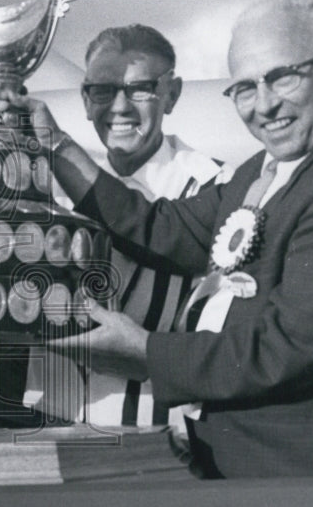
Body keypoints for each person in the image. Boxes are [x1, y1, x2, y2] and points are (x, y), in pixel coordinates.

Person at [0, 0, 313, 476]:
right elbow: (158, 227)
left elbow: (290, 347)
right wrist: (51, 141)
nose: (264, 105)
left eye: (282, 75)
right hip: (247, 466)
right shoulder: (258, 174)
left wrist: (145, 353)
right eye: (244, 87)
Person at [22, 24, 231, 428]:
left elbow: (225, 338)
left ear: (172, 94)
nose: (119, 107)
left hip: (158, 433)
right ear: (85, 100)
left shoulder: (216, 186)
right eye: (102, 90)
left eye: (140, 89)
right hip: (51, 419)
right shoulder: (46, 187)